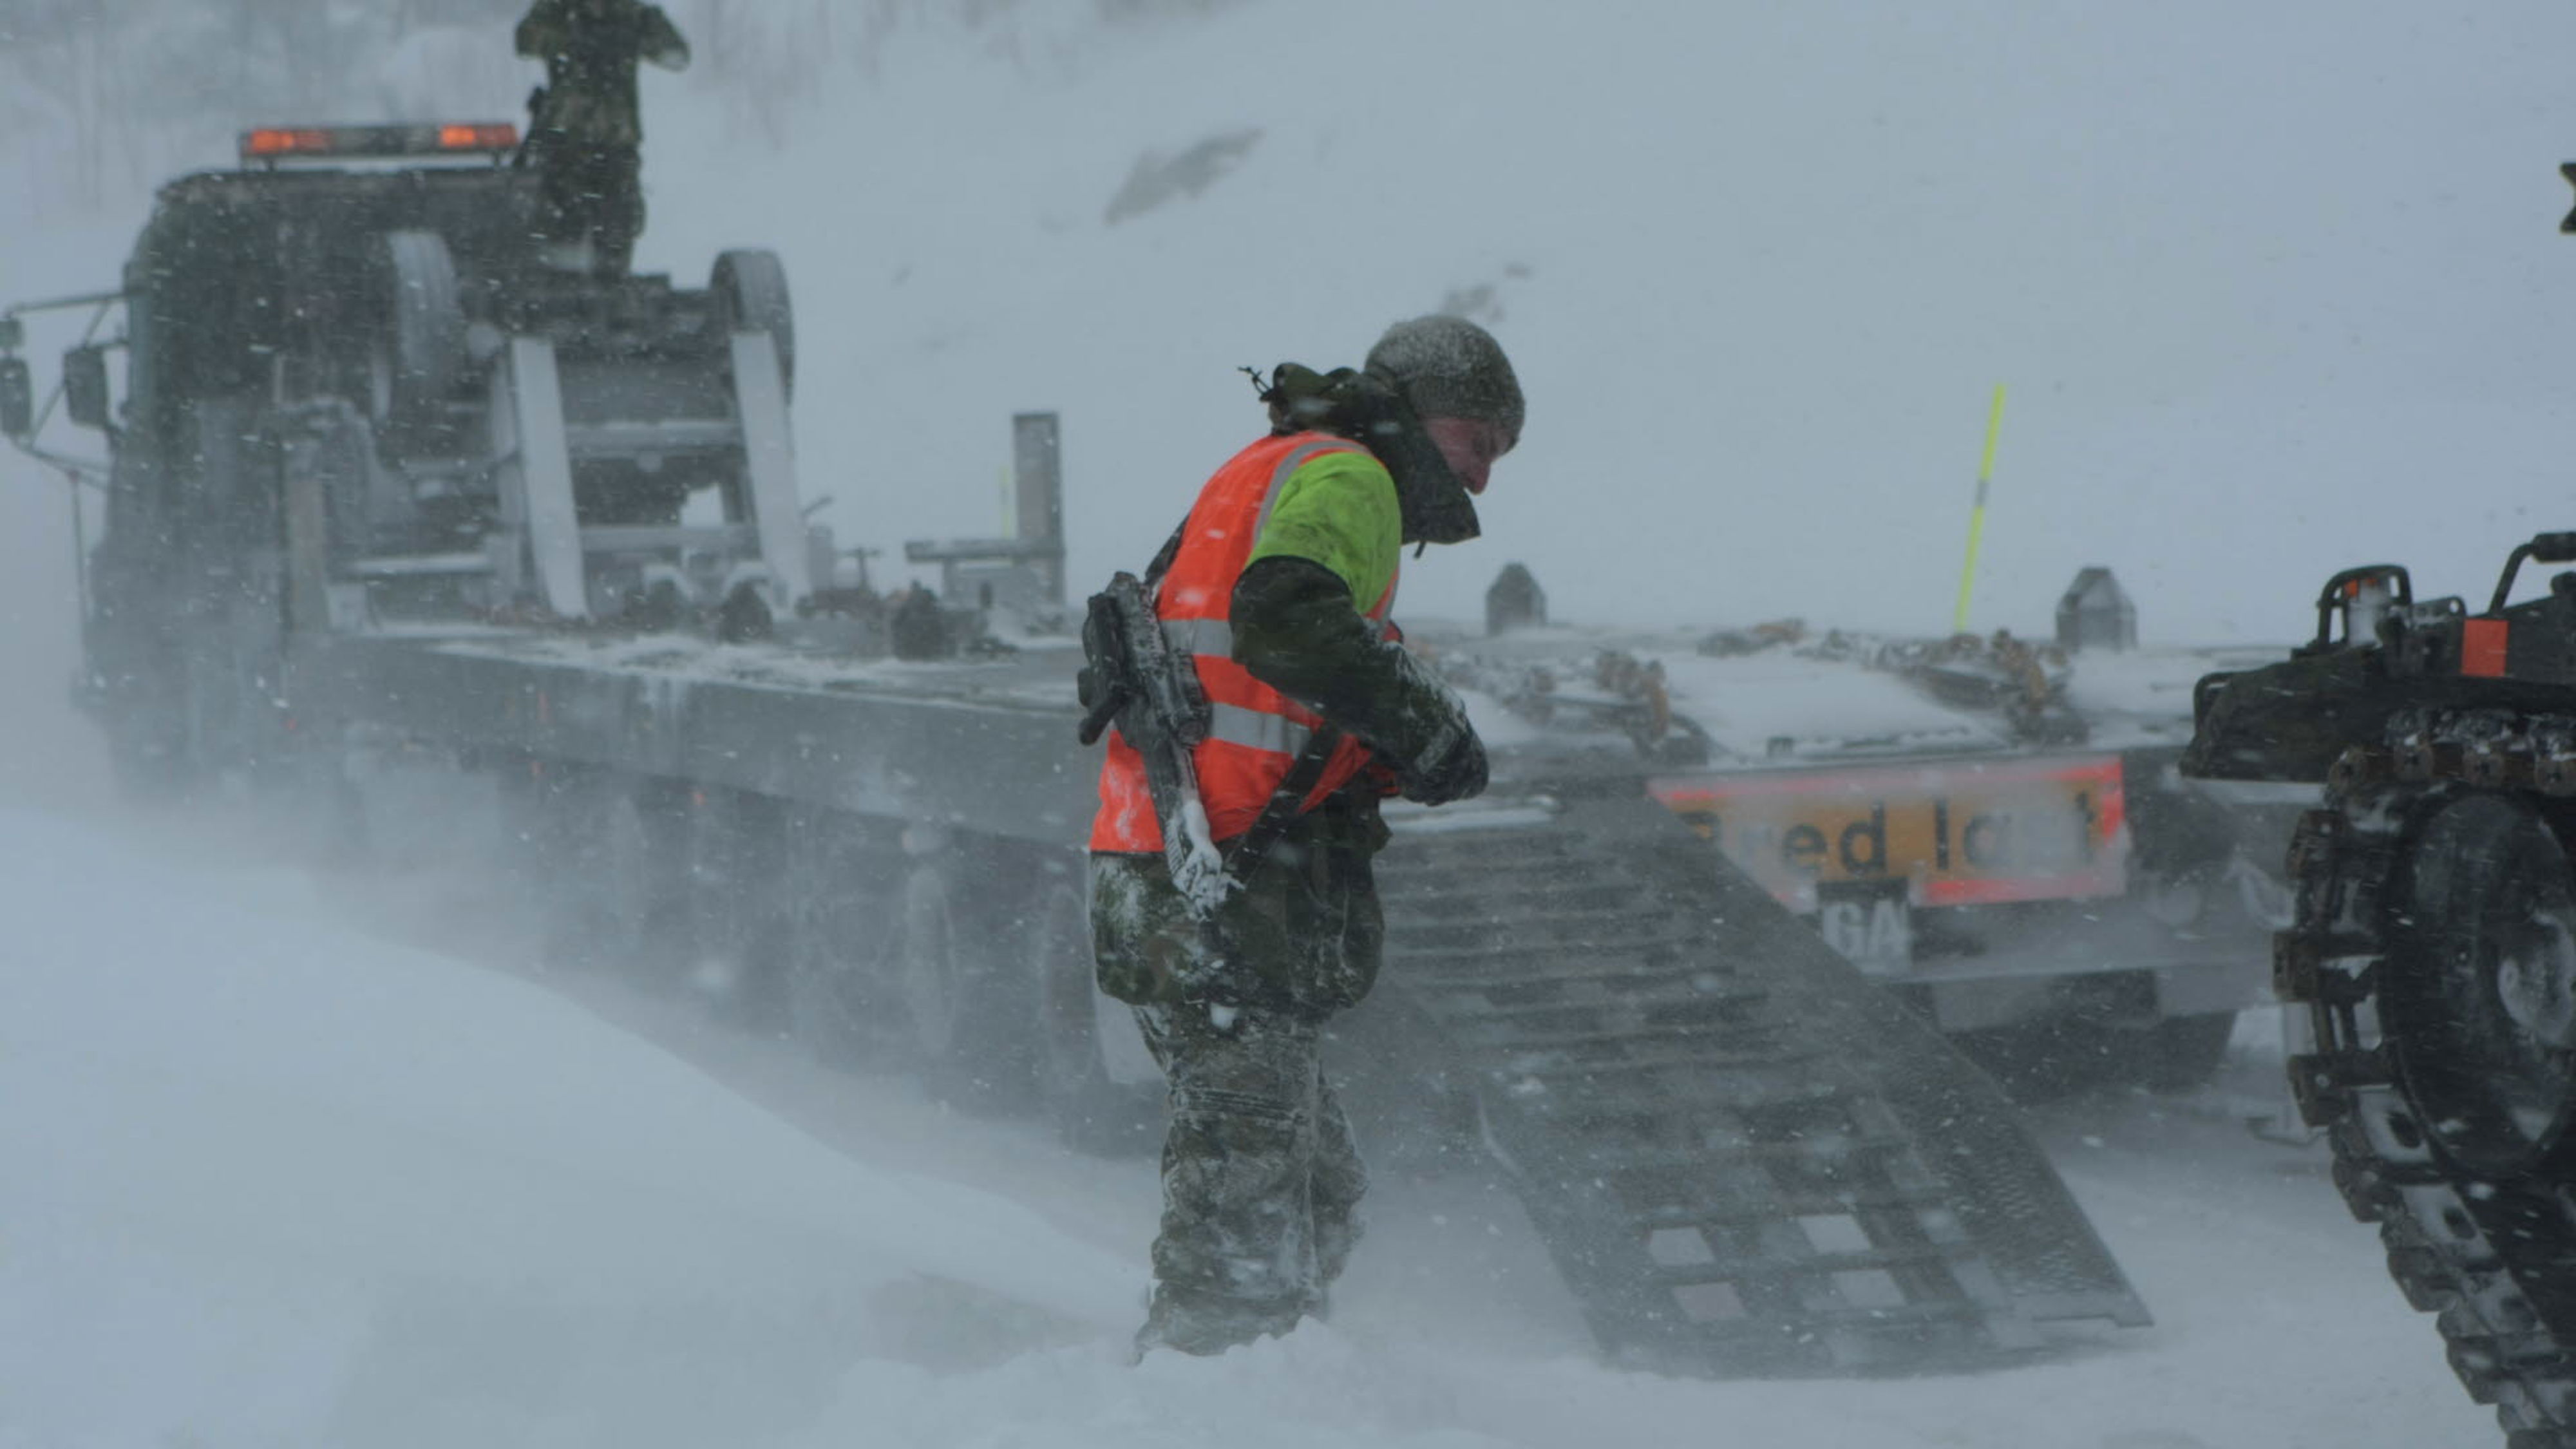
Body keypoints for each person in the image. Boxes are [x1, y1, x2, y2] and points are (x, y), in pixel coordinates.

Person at [1088, 314, 1524, 1357]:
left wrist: (1379, 748)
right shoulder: (1350, 477)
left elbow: (1253, 683)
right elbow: (1283, 618)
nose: (1483, 477)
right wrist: (1423, 728)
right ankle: (1207, 1391)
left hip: (1176, 868)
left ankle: (1278, 1381)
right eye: (1479, 443)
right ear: (1422, 418)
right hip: (1221, 880)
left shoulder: (1271, 467)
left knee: (1314, 1185)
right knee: (1247, 1206)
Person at [515, 0, 690, 276]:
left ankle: (611, 285)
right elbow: (525, 40)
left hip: (616, 139)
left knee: (618, 223)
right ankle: (565, 286)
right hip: (567, 138)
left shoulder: (632, 14)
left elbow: (677, 56)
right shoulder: (558, 10)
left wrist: (639, 30)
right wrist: (570, 40)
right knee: (563, 219)